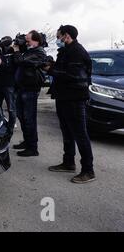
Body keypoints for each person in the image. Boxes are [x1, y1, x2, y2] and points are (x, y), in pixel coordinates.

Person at [45, 25, 95, 184]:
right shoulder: (66, 51)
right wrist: (51, 66)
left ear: (66, 36)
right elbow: (63, 70)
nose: (58, 40)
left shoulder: (77, 52)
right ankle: (68, 162)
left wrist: (52, 71)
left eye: (59, 37)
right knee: (67, 132)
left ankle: (88, 170)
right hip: (63, 97)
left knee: (80, 134)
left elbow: (75, 76)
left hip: (74, 98)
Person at [13, 31, 47, 157]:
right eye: (25, 41)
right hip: (22, 88)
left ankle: (33, 147)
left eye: (28, 41)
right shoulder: (29, 51)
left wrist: (17, 51)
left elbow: (21, 61)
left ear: (36, 40)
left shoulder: (39, 52)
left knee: (29, 118)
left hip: (30, 89)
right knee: (21, 116)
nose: (25, 43)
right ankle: (27, 141)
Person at [0, 37, 18, 135]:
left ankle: (10, 129)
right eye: (3, 44)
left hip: (9, 85)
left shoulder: (14, 54)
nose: (5, 46)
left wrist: (2, 63)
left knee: (11, 108)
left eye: (7, 44)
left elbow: (12, 69)